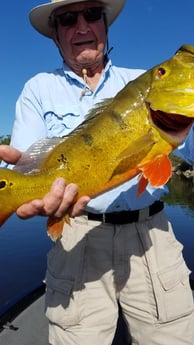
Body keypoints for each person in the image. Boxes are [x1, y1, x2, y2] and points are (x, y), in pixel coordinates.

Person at [1, 0, 194, 344]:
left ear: (105, 25)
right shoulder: (38, 89)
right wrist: (20, 187)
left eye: (91, 14)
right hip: (77, 238)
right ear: (55, 36)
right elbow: (25, 165)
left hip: (151, 238)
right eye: (67, 19)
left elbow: (186, 150)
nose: (82, 26)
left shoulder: (140, 81)